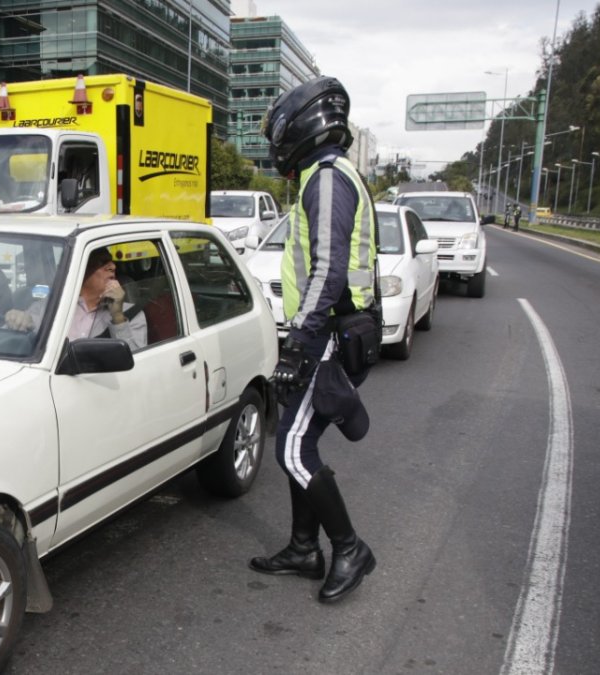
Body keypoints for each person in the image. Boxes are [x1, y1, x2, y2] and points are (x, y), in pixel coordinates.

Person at [250, 75, 377, 604]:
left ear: (303, 125)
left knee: (294, 449)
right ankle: (304, 547)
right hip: (331, 330)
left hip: (327, 333)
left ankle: (349, 548)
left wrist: (300, 339)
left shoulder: (326, 179)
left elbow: (328, 268)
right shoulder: (324, 175)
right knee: (302, 440)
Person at [5, 247, 147, 351]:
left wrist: (117, 316)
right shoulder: (49, 307)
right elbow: (20, 335)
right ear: (81, 270)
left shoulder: (130, 314)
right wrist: (15, 320)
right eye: (103, 262)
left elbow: (135, 362)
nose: (113, 267)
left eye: (112, 262)